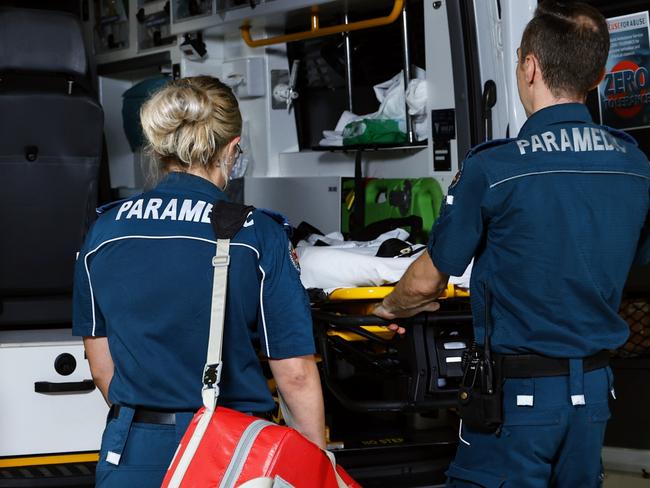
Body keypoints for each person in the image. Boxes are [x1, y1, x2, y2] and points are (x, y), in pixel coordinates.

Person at [374, 2, 650, 486]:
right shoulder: (634, 165)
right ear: (599, 75)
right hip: (593, 394)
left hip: (518, 400)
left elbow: (427, 281)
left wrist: (386, 312)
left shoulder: (497, 167)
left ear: (529, 66)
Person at [72, 76, 326, 488]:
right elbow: (294, 373)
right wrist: (312, 469)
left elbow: (103, 368)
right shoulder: (255, 233)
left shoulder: (104, 231)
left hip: (131, 451)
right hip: (232, 451)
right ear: (232, 149)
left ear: (157, 148)